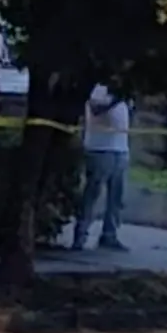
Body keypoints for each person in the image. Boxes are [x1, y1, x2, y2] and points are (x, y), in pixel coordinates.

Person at [72, 84, 131, 251]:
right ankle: (81, 234)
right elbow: (96, 109)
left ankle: (109, 234)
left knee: (116, 197)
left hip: (120, 148)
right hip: (100, 149)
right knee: (92, 193)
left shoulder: (123, 92)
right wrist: (117, 99)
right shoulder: (99, 89)